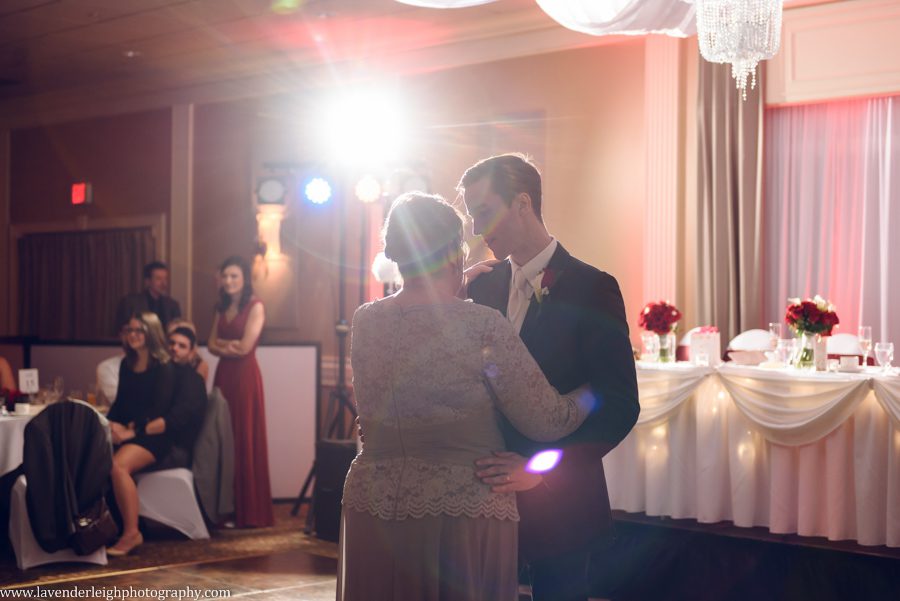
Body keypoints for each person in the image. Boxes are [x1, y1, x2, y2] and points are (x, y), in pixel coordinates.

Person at [338, 193, 591, 601]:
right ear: (454, 253)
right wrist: (591, 394)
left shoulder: (366, 320)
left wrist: (452, 288)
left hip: (375, 506)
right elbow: (545, 419)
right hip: (460, 511)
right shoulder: (481, 325)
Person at [460, 153, 640, 601]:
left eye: (484, 212)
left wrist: (540, 470)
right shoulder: (478, 287)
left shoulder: (593, 287)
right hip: (482, 496)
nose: (478, 229)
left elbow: (618, 403)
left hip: (561, 503)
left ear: (522, 204)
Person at [106, 312, 207, 556]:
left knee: (118, 467)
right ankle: (96, 527)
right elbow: (119, 407)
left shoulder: (170, 371)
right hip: (138, 433)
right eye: (129, 330)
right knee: (88, 453)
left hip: (161, 441)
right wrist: (111, 425)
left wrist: (131, 431)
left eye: (139, 330)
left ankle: (132, 533)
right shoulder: (126, 364)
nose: (174, 349)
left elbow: (163, 416)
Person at [208, 255, 272, 528]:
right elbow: (210, 344)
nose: (229, 281)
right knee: (221, 436)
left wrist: (225, 345)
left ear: (244, 278)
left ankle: (248, 511)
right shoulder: (220, 307)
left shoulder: (256, 306)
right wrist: (225, 346)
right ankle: (224, 509)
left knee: (243, 435)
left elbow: (245, 347)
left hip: (245, 377)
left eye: (234, 276)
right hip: (224, 375)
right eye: (225, 276)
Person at [114, 261, 182, 334]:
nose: (164, 283)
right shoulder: (130, 303)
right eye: (159, 279)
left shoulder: (172, 305)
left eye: (165, 279)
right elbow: (122, 330)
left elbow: (178, 332)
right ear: (148, 281)